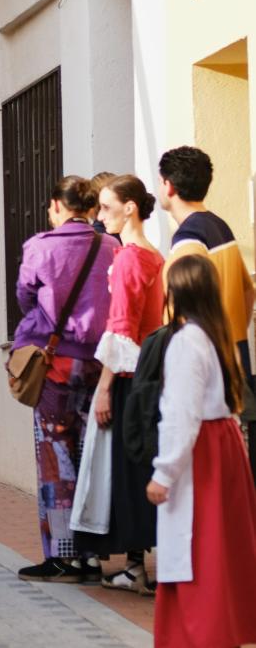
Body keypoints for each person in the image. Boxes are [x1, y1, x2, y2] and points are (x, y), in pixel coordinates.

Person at [13, 175, 117, 582]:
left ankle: (62, 556)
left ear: (57, 205)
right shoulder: (111, 246)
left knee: (56, 460)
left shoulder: (40, 247)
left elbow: (25, 298)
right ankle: (92, 556)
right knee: (91, 459)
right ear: (90, 207)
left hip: (56, 369)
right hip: (101, 368)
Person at [149, 254, 256, 647]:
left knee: (199, 552)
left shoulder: (185, 343)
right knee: (220, 551)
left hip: (201, 455)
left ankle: (201, 635)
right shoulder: (217, 335)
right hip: (222, 449)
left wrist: (164, 473)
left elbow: (181, 413)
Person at [71, 175, 163, 593]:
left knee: (123, 472)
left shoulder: (128, 258)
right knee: (138, 467)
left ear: (130, 208)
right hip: (150, 374)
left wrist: (105, 387)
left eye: (107, 207)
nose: (100, 215)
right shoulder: (153, 256)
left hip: (127, 377)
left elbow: (121, 328)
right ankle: (139, 567)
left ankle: (136, 569)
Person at [158, 145, 256, 478]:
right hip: (235, 359)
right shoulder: (220, 227)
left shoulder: (187, 240)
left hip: (206, 374)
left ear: (168, 186)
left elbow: (177, 312)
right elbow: (247, 290)